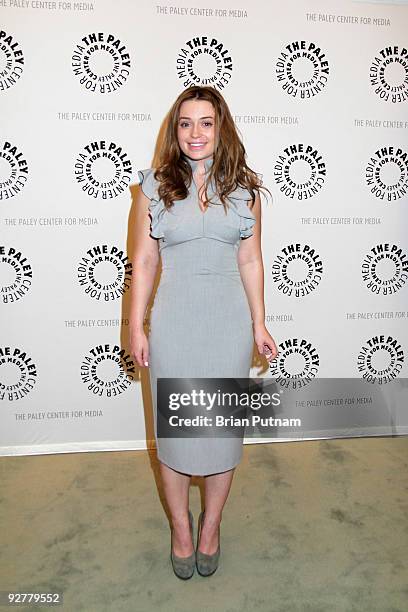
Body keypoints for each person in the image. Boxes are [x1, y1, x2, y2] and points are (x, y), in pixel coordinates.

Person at [129, 85, 278, 579]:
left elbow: (251, 260)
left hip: (226, 324)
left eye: (206, 123)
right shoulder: (154, 187)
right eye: (186, 123)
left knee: (219, 437)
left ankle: (211, 525)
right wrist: (136, 325)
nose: (196, 133)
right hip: (174, 323)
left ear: (222, 128)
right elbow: (145, 261)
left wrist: (258, 322)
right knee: (174, 437)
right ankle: (181, 529)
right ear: (175, 131)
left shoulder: (245, 191)